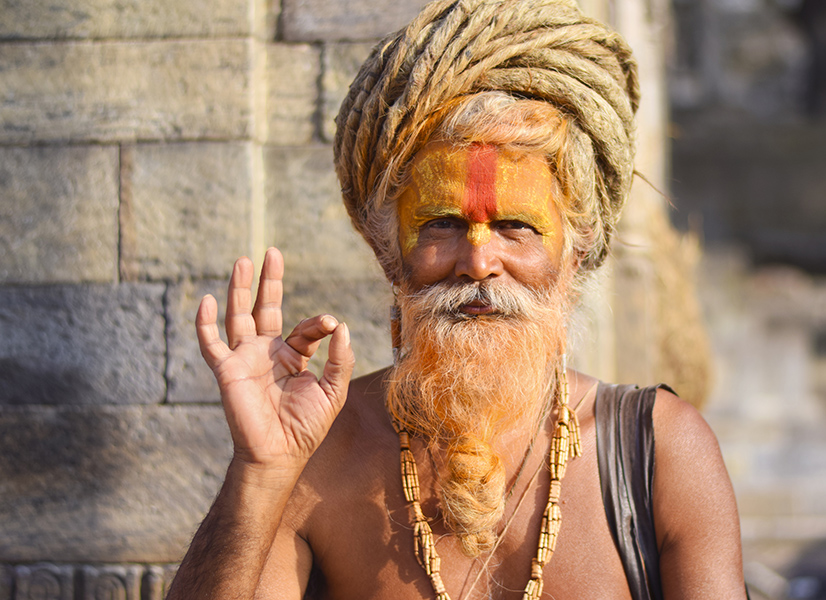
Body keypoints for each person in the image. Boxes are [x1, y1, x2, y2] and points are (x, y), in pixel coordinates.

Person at [166, 0, 745, 598]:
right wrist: (260, 471)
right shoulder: (322, 454)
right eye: (441, 224)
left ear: (576, 252)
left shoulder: (662, 452)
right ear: (390, 254)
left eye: (516, 227)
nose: (478, 262)